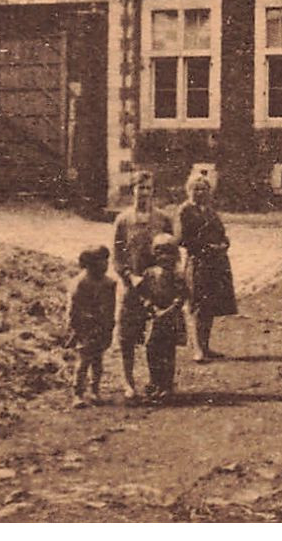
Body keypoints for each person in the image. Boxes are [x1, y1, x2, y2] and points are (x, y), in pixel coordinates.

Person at [112, 171, 174, 399]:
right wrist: (129, 277)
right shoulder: (123, 220)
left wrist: (166, 276)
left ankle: (157, 381)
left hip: (157, 284)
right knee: (127, 335)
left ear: (153, 191)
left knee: (160, 335)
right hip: (132, 283)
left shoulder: (163, 219)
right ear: (133, 190)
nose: (144, 193)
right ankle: (128, 382)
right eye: (140, 188)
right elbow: (117, 256)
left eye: (148, 188)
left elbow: (172, 252)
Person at [176, 165, 237, 363]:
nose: (200, 192)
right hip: (198, 262)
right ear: (189, 190)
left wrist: (223, 244)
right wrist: (206, 247)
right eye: (196, 188)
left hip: (216, 263)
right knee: (197, 306)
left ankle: (206, 345)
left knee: (210, 306)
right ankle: (197, 349)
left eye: (204, 188)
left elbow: (222, 232)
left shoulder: (210, 211)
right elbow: (181, 239)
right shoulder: (185, 211)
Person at [137, 234, 188, 403]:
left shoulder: (177, 275)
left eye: (169, 253)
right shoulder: (149, 273)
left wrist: (169, 310)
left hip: (170, 317)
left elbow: (181, 297)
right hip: (153, 317)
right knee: (152, 350)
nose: (165, 257)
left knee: (168, 351)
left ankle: (166, 385)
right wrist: (150, 306)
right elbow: (142, 294)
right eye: (160, 253)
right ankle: (155, 381)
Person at [65, 245, 116, 408]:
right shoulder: (80, 283)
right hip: (85, 326)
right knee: (84, 360)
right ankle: (78, 393)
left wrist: (109, 326)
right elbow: (73, 309)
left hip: (101, 326)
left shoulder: (109, 283)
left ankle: (95, 390)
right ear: (90, 264)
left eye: (106, 260)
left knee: (98, 360)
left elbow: (110, 307)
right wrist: (76, 329)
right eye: (101, 261)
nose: (105, 264)